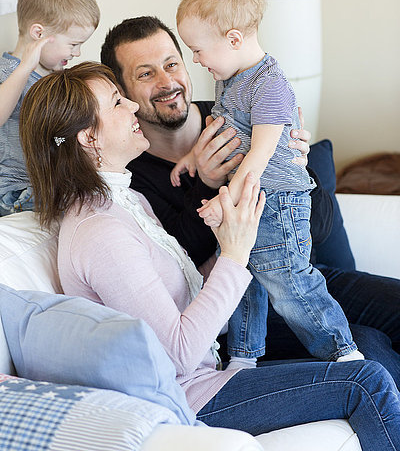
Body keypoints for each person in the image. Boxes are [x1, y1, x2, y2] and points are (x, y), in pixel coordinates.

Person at [19, 62, 400, 448]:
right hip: (189, 397)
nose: (133, 107)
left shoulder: (125, 200)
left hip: (210, 367)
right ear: (89, 138)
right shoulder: (100, 232)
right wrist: (235, 254)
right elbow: (181, 353)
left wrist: (250, 215)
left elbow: (184, 297)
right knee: (365, 383)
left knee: (364, 341)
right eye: (118, 102)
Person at [100, 14, 400, 382]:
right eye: (145, 74)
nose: (166, 83)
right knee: (369, 346)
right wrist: (207, 184)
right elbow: (175, 264)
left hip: (302, 271)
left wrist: (297, 170)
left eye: (171, 64)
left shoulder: (237, 108)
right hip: (240, 306)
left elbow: (320, 226)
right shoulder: (129, 168)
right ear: (124, 92)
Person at [171, 0, 362, 368]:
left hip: (276, 201)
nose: (197, 61)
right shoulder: (231, 76)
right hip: (253, 198)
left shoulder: (269, 86)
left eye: (198, 51)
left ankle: (342, 351)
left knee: (287, 279)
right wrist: (192, 158)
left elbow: (256, 159)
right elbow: (226, 125)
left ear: (234, 39)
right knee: (244, 279)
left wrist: (226, 203)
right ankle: (242, 358)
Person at [0, 0, 99, 216]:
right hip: (16, 191)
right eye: (73, 44)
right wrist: (25, 68)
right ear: (39, 34)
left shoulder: (52, 77)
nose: (76, 53)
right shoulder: (9, 74)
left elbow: (54, 139)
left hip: (47, 185)